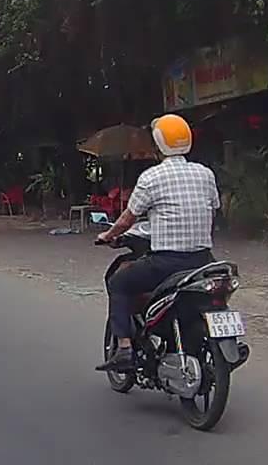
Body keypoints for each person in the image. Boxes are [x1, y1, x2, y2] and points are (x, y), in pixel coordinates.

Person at [94, 114, 220, 372]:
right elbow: (213, 209)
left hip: (167, 263)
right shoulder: (205, 174)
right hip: (203, 261)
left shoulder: (152, 177)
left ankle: (125, 348)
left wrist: (107, 235)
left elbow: (127, 219)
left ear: (158, 145)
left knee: (119, 283)